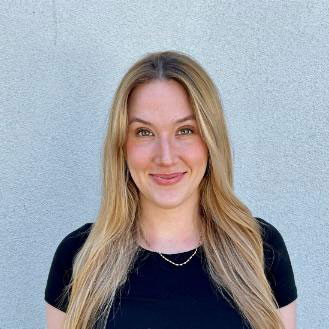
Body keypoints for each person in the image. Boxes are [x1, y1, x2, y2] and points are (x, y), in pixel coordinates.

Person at [45, 50, 297, 329]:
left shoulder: (259, 248)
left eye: (185, 130)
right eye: (144, 132)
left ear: (211, 141)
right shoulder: (80, 257)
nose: (165, 157)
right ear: (122, 146)